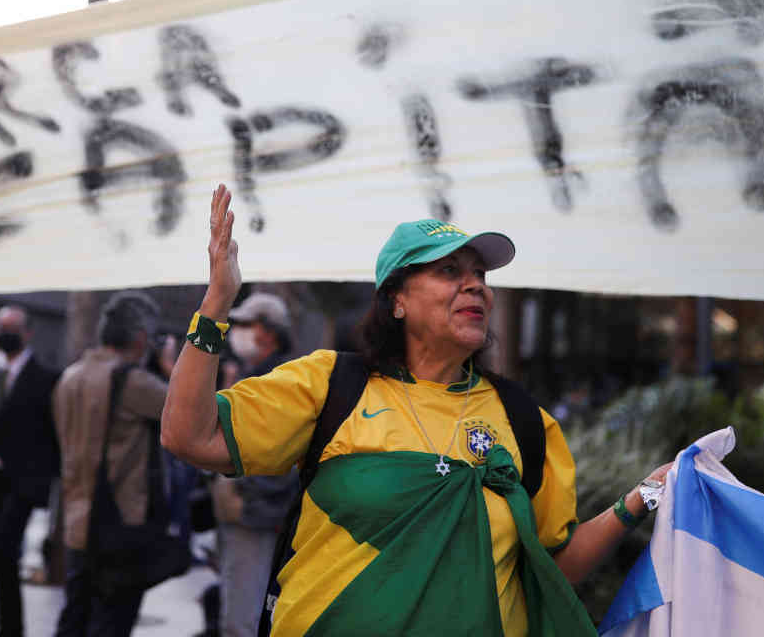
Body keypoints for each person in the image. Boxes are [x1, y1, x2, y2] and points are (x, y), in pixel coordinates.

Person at [162, 185, 672, 636]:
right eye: (450, 270)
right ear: (397, 301)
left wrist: (647, 494)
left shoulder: (523, 420)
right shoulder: (330, 384)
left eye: (479, 275)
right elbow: (189, 436)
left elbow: (551, 567)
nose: (476, 285)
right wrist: (217, 303)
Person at [52, 291, 177, 637]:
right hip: (120, 524)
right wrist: (169, 367)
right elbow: (187, 412)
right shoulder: (131, 381)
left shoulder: (70, 376)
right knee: (112, 622)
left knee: (74, 617)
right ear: (140, 337)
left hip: (78, 520)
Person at [209, 292, 301, 637]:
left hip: (257, 514)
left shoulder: (276, 378)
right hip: (250, 512)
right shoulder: (257, 373)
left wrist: (243, 489)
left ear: (269, 332)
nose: (239, 331)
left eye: (247, 324)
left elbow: (282, 455)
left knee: (242, 618)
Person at [0, 305, 60, 637]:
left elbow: (54, 431)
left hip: (25, 481)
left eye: (12, 327)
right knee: (1, 556)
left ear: (27, 333)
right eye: (1, 327)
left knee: (1, 548)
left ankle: (11, 628)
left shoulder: (46, 378)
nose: (5, 333)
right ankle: (10, 627)